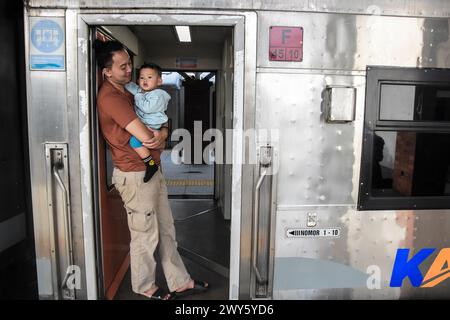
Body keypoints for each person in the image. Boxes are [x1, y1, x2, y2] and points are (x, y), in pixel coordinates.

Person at [94, 39, 208, 300]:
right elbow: (145, 135)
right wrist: (158, 134)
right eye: (122, 66)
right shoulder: (111, 97)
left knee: (167, 229)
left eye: (129, 65)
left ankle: (179, 281)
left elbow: (161, 126)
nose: (129, 70)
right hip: (134, 175)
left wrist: (164, 131)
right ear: (107, 71)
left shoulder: (127, 91)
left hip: (151, 171)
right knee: (144, 235)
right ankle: (145, 286)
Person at [124, 63, 170, 183]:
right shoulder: (142, 91)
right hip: (147, 123)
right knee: (145, 142)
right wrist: (123, 82)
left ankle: (150, 164)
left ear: (159, 81)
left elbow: (147, 108)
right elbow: (132, 87)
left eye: (149, 77)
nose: (145, 80)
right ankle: (153, 157)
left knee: (134, 141)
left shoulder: (159, 95)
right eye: (141, 77)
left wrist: (138, 96)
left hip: (153, 124)